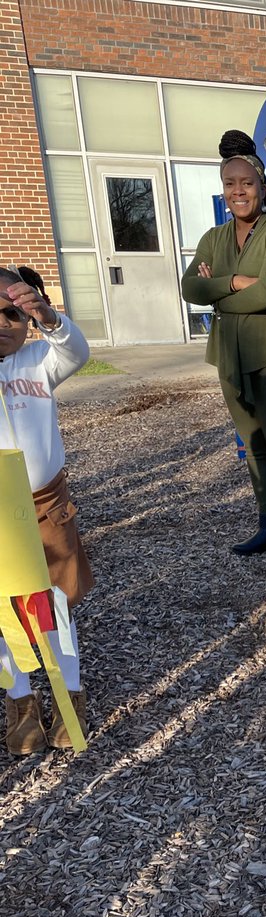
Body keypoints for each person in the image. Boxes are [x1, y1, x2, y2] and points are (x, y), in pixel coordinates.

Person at [181, 129, 266, 555]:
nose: (238, 191)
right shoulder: (213, 238)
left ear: (262, 186)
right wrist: (231, 280)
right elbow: (188, 287)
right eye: (229, 184)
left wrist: (216, 292)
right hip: (228, 355)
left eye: (246, 183)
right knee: (251, 443)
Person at [0, 267, 93, 754]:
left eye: (13, 313)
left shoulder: (38, 359)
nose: (3, 322)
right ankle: (21, 701)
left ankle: (68, 696)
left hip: (45, 506)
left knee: (54, 604)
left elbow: (76, 352)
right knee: (4, 609)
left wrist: (50, 319)